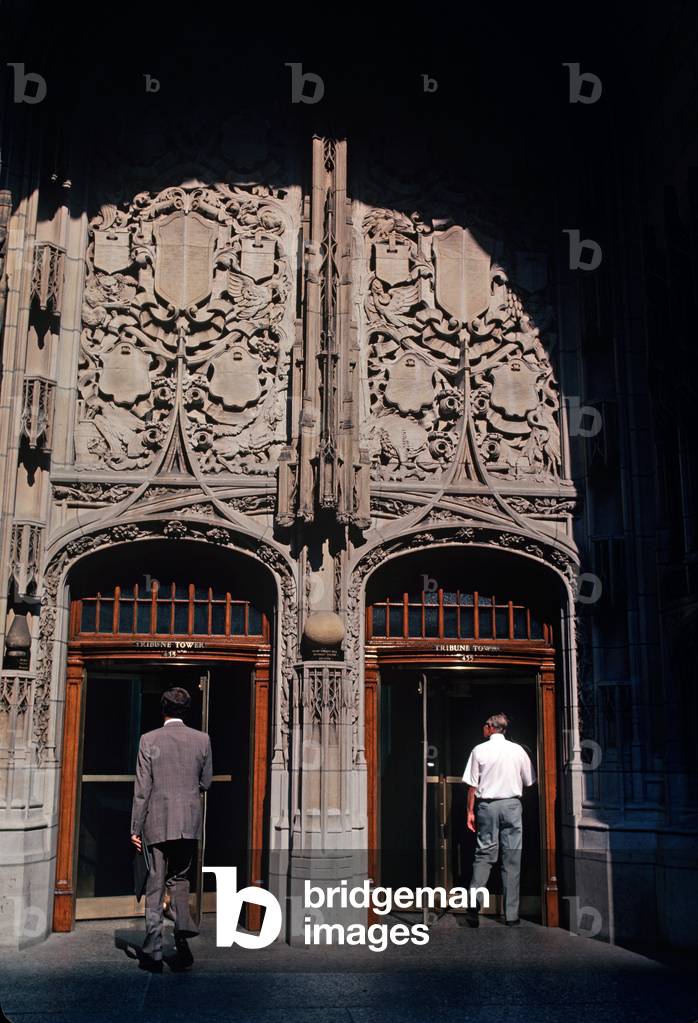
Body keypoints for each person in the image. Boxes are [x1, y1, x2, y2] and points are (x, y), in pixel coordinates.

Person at [130, 686, 212, 972]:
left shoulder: (148, 739)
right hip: (187, 824)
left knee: (155, 885)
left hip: (156, 823)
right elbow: (206, 782)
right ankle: (182, 937)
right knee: (180, 880)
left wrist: (135, 828)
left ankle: (152, 952)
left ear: (163, 709)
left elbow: (142, 789)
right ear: (186, 711)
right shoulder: (202, 740)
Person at [462, 712, 536, 927]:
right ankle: (511, 916)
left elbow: (472, 785)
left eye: (484, 725)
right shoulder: (518, 750)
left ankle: (473, 909)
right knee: (512, 859)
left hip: (487, 806)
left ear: (490, 727)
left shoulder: (479, 750)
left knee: (484, 856)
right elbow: (529, 781)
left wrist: (470, 811)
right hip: (512, 805)